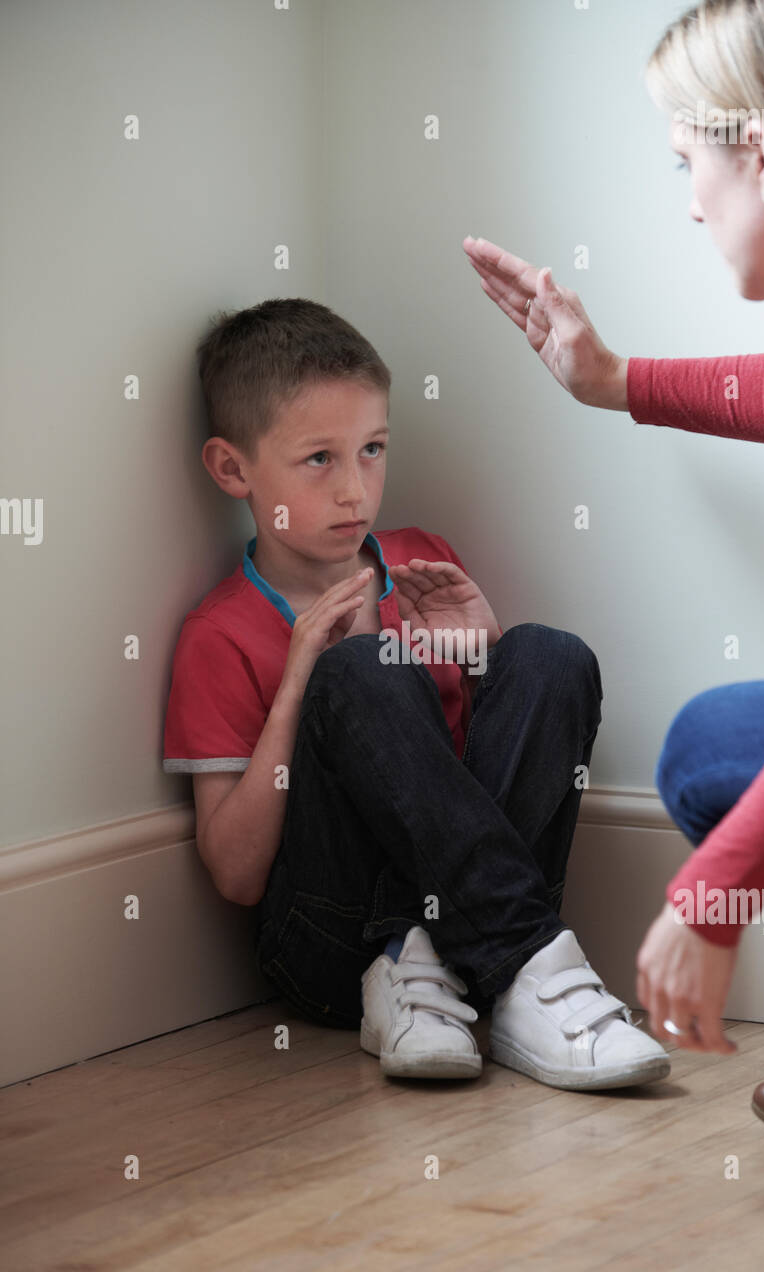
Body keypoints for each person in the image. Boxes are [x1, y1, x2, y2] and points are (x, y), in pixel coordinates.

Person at [462, 0, 764, 1147]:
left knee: (701, 756)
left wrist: (706, 899)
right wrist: (613, 379)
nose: (688, 198)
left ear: (762, 159)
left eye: (688, 160)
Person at [162, 296, 671, 1093]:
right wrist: (302, 683)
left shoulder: (419, 560)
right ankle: (515, 966)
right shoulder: (219, 635)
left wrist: (483, 656)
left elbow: (477, 775)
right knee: (361, 671)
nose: (355, 489)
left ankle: (496, 973)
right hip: (333, 949)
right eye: (318, 460)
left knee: (550, 656)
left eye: (372, 449)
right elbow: (236, 876)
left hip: (467, 921)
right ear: (233, 470)